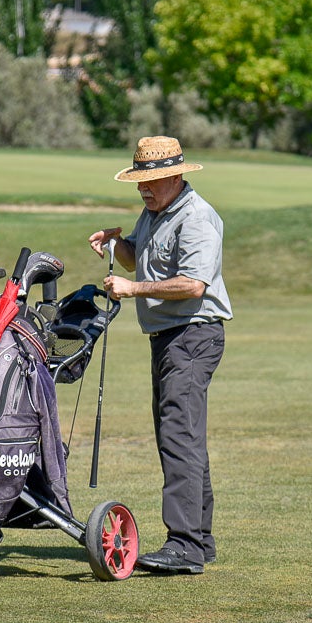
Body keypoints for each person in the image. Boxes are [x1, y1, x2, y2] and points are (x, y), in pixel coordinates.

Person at [88, 136, 233, 575]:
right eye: (139, 181)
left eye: (150, 181)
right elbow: (138, 260)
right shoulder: (155, 211)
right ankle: (200, 541)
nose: (142, 189)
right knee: (183, 434)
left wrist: (132, 291)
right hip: (169, 336)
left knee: (178, 436)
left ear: (175, 177)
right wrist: (116, 246)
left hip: (193, 335)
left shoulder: (196, 218)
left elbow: (192, 284)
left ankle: (184, 546)